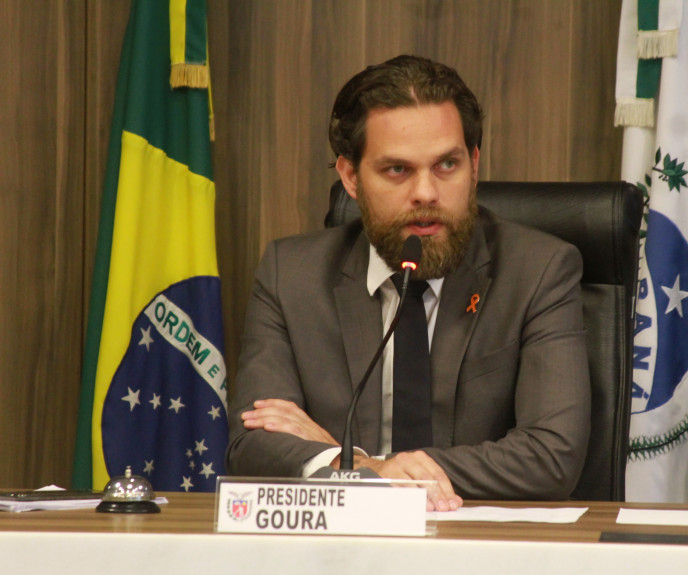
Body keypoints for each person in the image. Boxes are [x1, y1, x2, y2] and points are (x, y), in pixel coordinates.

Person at [226, 55, 590, 511]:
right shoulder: (291, 274)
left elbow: (551, 455)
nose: (426, 193)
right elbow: (253, 445)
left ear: (474, 164)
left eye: (447, 165)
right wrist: (371, 470)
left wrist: (363, 468)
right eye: (397, 170)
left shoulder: (539, 271)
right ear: (350, 177)